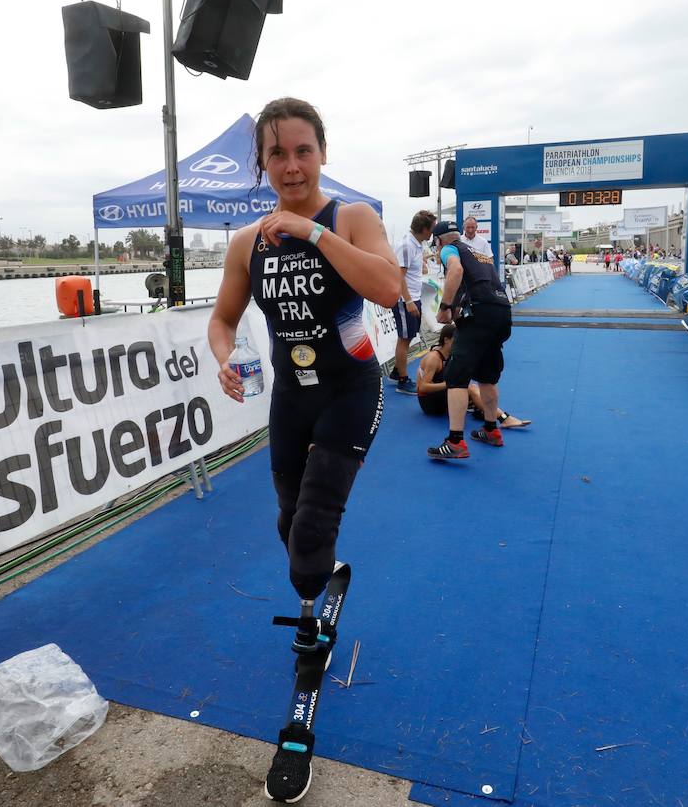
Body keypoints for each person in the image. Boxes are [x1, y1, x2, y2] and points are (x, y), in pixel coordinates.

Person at [207, 98, 401, 658]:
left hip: (351, 388)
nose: (292, 166)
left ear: (322, 153)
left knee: (314, 522)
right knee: (290, 525)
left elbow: (388, 289)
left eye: (303, 152)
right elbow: (222, 320)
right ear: (262, 165)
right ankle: (319, 568)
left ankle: (310, 619)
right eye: (277, 154)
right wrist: (225, 357)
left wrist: (311, 233)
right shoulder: (246, 242)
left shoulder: (352, 218)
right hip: (291, 399)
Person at [426, 221, 514, 459]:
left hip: (480, 312)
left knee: (456, 377)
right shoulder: (478, 253)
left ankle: (455, 441)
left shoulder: (449, 248)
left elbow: (455, 271)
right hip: (502, 311)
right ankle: (491, 429)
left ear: (438, 240)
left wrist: (445, 307)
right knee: (488, 375)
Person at [390, 210, 436, 395]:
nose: (432, 233)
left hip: (413, 298)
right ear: (424, 229)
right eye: (431, 228)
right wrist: (408, 301)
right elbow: (398, 276)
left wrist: (423, 262)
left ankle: (396, 371)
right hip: (405, 300)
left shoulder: (416, 245)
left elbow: (409, 269)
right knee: (405, 338)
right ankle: (402, 379)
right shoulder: (407, 245)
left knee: (408, 337)